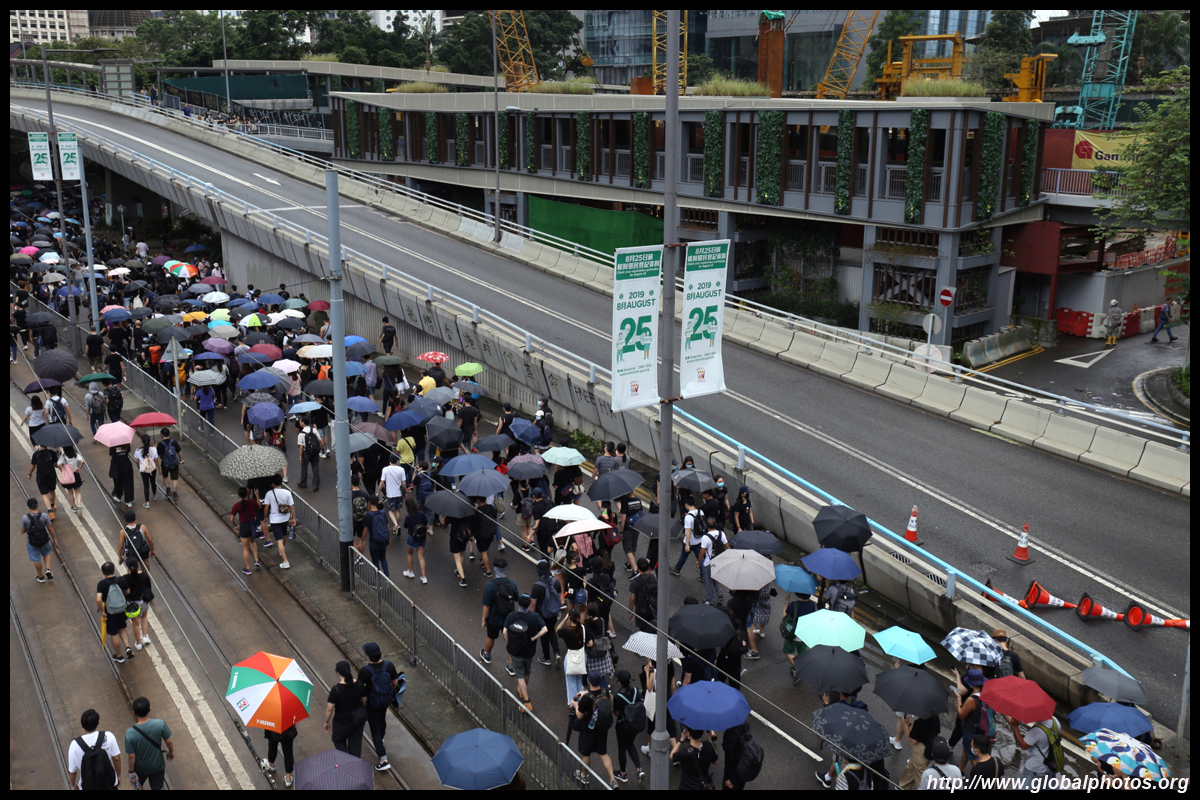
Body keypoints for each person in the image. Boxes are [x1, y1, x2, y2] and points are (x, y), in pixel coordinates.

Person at [358, 642, 402, 772]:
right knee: (382, 720)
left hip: (371, 703)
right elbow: (395, 683)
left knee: (374, 729)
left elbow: (361, 690)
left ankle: (383, 760)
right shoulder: (389, 665)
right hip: (385, 700)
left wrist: (364, 704)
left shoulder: (364, 671)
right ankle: (381, 740)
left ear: (368, 656)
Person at [503, 594, 547, 713]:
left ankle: (527, 701)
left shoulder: (512, 616)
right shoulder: (534, 616)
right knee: (527, 671)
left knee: (519, 675)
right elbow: (545, 629)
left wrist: (508, 643)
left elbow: (505, 631)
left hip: (516, 649)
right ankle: (522, 691)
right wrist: (534, 638)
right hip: (530, 649)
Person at [573, 672, 617, 787]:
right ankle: (612, 779)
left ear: (589, 681)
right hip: (602, 729)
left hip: (588, 730)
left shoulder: (586, 699)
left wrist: (575, 705)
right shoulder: (605, 692)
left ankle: (584, 775)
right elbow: (610, 703)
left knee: (586, 753)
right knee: (603, 753)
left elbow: (580, 716)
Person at [126, 696, 174, 791]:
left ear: (134, 713)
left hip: (140, 768)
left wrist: (131, 771)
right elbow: (169, 741)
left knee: (138, 786)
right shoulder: (160, 724)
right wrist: (171, 752)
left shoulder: (130, 733)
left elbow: (131, 756)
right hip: (157, 766)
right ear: (149, 709)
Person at [67, 709, 122, 790]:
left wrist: (73, 785)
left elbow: (72, 770)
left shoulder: (75, 745)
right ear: (98, 723)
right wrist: (118, 775)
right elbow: (116, 759)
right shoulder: (109, 736)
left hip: (87, 786)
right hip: (108, 783)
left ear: (82, 726)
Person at [479, 558, 519, 666]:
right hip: (509, 617)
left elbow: (486, 605)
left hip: (494, 618)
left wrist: (483, 619)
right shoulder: (511, 583)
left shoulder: (490, 585)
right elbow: (516, 598)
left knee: (491, 636)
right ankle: (511, 665)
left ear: (495, 569)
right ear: (504, 569)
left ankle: (487, 655)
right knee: (509, 640)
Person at [324, 661, 367, 757]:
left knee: (339, 742)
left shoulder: (336, 690)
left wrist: (326, 722)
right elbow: (364, 701)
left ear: (338, 673)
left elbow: (329, 709)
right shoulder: (359, 684)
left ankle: (345, 761)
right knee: (355, 743)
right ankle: (355, 763)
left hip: (341, 722)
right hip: (357, 720)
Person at [1008, 713, 1060, 790]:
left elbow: (1023, 745)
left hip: (1035, 770)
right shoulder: (1055, 721)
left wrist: (1015, 727)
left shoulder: (1037, 730)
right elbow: (1059, 737)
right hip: (1051, 766)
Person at [96, 561, 134, 663]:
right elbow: (128, 591)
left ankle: (119, 656)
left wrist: (101, 612)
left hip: (111, 612)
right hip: (122, 609)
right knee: (122, 627)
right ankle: (128, 647)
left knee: (114, 633)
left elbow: (98, 599)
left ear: (103, 573)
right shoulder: (121, 580)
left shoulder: (102, 584)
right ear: (113, 570)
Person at [952, 668, 989, 772]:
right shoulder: (986, 695)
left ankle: (979, 779)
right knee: (967, 749)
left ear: (972, 684)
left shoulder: (971, 700)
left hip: (970, 730)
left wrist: (958, 699)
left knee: (973, 757)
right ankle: (961, 769)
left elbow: (961, 715)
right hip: (982, 729)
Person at [611, 669, 645, 783]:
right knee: (630, 744)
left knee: (622, 748)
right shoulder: (635, 690)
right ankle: (639, 769)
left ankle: (623, 773)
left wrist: (612, 703)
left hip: (623, 726)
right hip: (635, 723)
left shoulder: (618, 697)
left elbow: (616, 713)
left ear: (619, 682)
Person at [898, 706, 943, 790]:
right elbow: (938, 734)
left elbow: (912, 741)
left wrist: (905, 725)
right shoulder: (936, 719)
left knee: (920, 779)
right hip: (931, 748)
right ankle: (903, 786)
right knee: (911, 768)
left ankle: (904, 787)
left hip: (920, 751)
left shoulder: (919, 723)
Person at [529, 560, 563, 666]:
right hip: (553, 613)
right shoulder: (556, 582)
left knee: (543, 634)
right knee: (551, 630)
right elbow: (559, 598)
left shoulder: (536, 586)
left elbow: (533, 605)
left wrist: (531, 617)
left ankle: (547, 658)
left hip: (541, 615)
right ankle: (557, 653)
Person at [262, 474, 295, 569]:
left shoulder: (269, 493)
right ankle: (281, 550)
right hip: (285, 518)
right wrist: (293, 518)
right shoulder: (287, 492)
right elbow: (292, 507)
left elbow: (266, 508)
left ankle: (285, 561)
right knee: (284, 535)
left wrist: (265, 517)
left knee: (279, 540)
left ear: (272, 483)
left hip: (275, 520)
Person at [21, 497, 56, 584]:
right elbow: (50, 528)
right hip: (44, 539)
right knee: (46, 553)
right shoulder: (44, 516)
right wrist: (54, 539)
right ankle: (48, 568)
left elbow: (22, 531)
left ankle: (41, 576)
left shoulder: (25, 518)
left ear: (28, 507)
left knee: (36, 559)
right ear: (37, 505)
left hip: (33, 542)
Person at [672, 726, 718, 790]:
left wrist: (681, 740)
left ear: (688, 734)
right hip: (702, 786)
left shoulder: (684, 753)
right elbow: (715, 761)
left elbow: (672, 756)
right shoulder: (708, 747)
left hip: (686, 787)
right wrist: (709, 740)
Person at [230, 487, 263, 575]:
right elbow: (259, 506)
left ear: (239, 495)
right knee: (252, 542)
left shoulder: (236, 505)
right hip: (252, 525)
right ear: (247, 494)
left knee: (245, 548)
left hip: (244, 526)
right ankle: (256, 560)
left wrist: (236, 525)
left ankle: (248, 568)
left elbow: (231, 519)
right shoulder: (252, 502)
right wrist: (257, 495)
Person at [125, 556, 153, 649]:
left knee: (135, 623)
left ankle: (138, 643)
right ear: (137, 566)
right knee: (144, 617)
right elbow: (148, 587)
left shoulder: (125, 578)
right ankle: (145, 637)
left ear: (127, 567)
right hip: (143, 601)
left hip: (132, 605)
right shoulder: (144, 575)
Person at [262, 717, 299, 788]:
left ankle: (271, 764)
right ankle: (288, 778)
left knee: (272, 744)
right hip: (287, 729)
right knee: (288, 752)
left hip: (272, 725)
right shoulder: (289, 710)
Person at [698, 518, 727, 605]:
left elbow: (702, 552)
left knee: (708, 582)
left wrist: (698, 563)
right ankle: (719, 594)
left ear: (706, 526)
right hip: (719, 561)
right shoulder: (721, 534)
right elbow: (727, 547)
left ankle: (710, 600)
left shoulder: (705, 537)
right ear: (716, 525)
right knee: (716, 577)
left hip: (709, 562)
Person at [401, 497, 429, 583]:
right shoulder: (421, 514)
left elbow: (405, 526)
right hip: (421, 537)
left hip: (411, 537)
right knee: (421, 556)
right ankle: (423, 577)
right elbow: (425, 524)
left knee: (409, 554)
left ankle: (410, 572)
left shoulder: (408, 517)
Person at [363, 495, 392, 577]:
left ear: (369, 503)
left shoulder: (368, 515)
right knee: (383, 558)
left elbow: (365, 530)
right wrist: (388, 538)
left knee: (375, 561)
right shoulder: (382, 513)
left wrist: (362, 540)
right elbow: (388, 527)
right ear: (377, 502)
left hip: (374, 541)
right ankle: (387, 578)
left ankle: (377, 579)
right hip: (383, 539)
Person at [628, 557, 658, 633]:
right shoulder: (653, 577)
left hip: (642, 609)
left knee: (643, 630)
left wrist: (630, 611)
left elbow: (632, 599)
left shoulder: (635, 582)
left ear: (638, 568)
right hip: (653, 607)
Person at [28, 441, 59, 513]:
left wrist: (29, 474)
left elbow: (32, 466)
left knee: (44, 494)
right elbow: (56, 465)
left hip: (41, 476)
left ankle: (50, 511)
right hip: (51, 475)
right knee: (52, 490)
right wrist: (57, 457)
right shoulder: (52, 453)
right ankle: (52, 505)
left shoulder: (36, 454)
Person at [378, 453, 407, 531]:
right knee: (398, 510)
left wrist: (378, 491)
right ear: (397, 461)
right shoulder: (401, 469)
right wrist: (404, 492)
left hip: (390, 494)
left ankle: (396, 525)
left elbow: (382, 483)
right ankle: (395, 527)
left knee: (390, 510)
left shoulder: (385, 469)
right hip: (399, 493)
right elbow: (404, 483)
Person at [156, 428, 183, 499]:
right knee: (174, 479)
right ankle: (175, 494)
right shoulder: (174, 442)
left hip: (165, 464)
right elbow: (179, 452)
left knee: (165, 476)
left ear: (162, 435)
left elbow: (157, 455)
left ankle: (168, 490)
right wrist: (181, 460)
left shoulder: (160, 444)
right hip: (174, 463)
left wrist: (156, 448)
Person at [134, 434, 160, 508]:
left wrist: (139, 467)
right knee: (153, 481)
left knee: (146, 485)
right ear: (149, 440)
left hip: (143, 470)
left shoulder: (138, 450)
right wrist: (159, 469)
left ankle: (147, 503)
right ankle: (154, 495)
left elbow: (137, 461)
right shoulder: (153, 449)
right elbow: (156, 460)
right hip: (153, 469)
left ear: (142, 441)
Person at [57, 445, 85, 512]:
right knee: (77, 492)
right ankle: (79, 504)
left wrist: (63, 470)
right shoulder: (76, 455)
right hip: (75, 474)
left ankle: (74, 507)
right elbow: (82, 461)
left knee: (70, 492)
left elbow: (58, 464)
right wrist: (79, 468)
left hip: (68, 476)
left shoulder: (63, 456)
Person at [297, 419, 322, 491]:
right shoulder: (314, 430)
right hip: (315, 452)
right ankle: (316, 485)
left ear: (303, 423)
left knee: (304, 468)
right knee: (315, 468)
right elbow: (320, 440)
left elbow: (301, 447)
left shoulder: (301, 434)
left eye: (300, 421)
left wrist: (300, 456)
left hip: (306, 452)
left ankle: (303, 483)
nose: (299, 422)